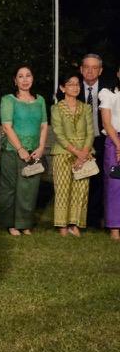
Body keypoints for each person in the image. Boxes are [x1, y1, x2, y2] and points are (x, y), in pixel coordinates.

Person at [0, 65, 49, 235]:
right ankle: (11, 224)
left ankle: (25, 223)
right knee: (10, 189)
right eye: (21, 76)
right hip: (13, 151)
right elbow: (6, 126)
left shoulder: (40, 100)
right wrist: (20, 148)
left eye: (28, 75)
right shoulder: (8, 100)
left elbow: (43, 125)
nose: (25, 79)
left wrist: (41, 147)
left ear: (33, 78)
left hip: (34, 153)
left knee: (29, 189)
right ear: (15, 80)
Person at [51, 71, 94, 237]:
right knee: (62, 190)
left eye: (77, 84)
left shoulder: (86, 108)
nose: (75, 87)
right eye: (70, 84)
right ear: (62, 87)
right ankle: (62, 225)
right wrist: (77, 152)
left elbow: (90, 132)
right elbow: (58, 133)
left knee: (81, 190)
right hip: (63, 153)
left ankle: (74, 224)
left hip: (85, 153)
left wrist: (83, 153)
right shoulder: (56, 108)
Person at [78, 54, 105, 228]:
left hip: (101, 139)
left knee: (98, 179)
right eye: (86, 67)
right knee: (80, 178)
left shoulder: (108, 90)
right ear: (81, 69)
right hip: (78, 142)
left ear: (100, 71)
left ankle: (94, 219)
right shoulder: (72, 88)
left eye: (94, 67)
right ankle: (77, 218)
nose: (90, 70)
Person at [99, 65, 120, 240]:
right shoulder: (109, 93)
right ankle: (114, 227)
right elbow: (106, 123)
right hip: (114, 141)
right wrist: (119, 145)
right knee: (115, 184)